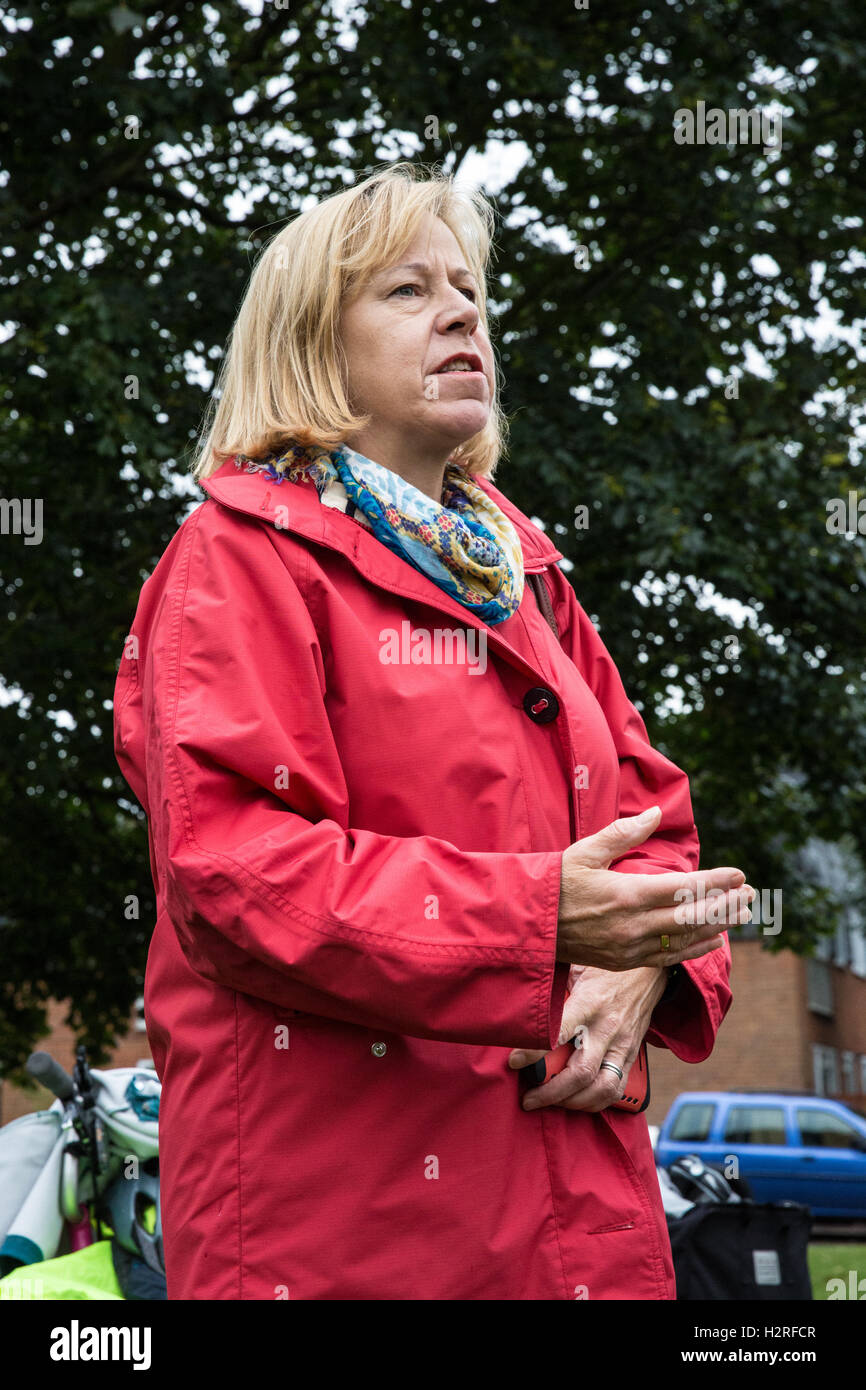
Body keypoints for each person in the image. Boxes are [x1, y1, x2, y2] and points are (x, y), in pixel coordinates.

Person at [113, 160, 754, 1300]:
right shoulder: (237, 559)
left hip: (584, 1238)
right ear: (311, 344)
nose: (462, 309)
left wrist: (648, 965)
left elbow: (663, 839)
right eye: (408, 291)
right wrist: (541, 924)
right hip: (350, 1240)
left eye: (467, 287)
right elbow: (235, 874)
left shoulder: (529, 580)